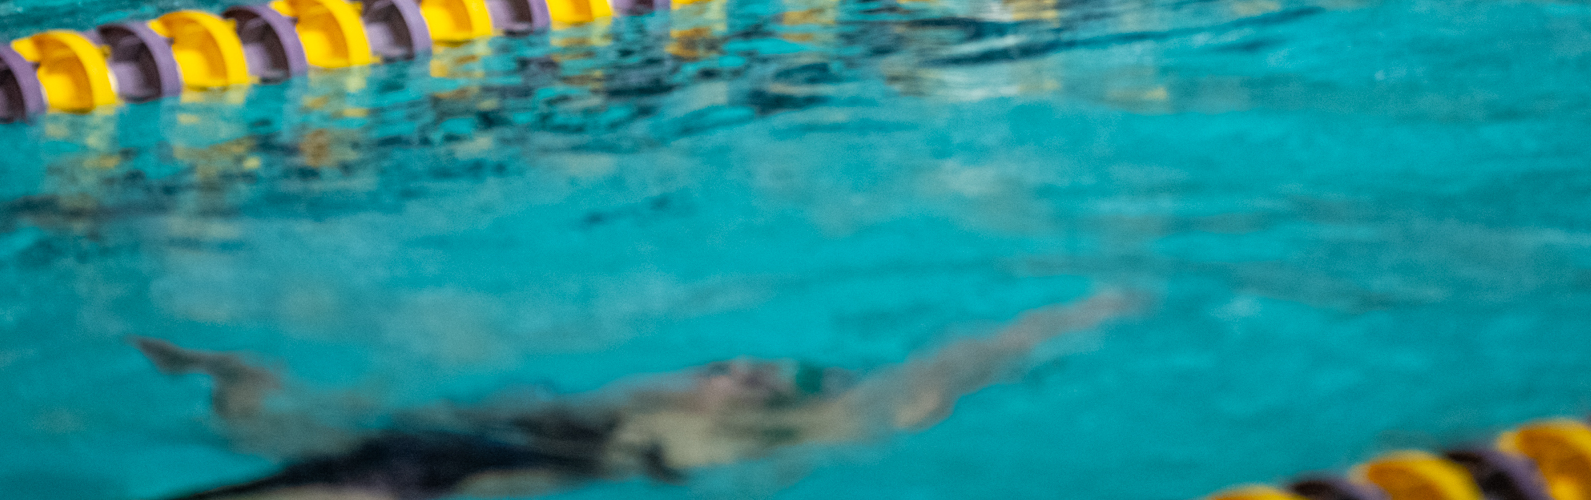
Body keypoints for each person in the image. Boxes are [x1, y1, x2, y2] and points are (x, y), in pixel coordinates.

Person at [141, 288, 1138, 498]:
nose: (744, 372)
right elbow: (307, 436)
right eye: (733, 359)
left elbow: (924, 386)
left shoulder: (710, 442)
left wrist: (1058, 321)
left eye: (770, 382)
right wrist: (236, 382)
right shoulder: (541, 409)